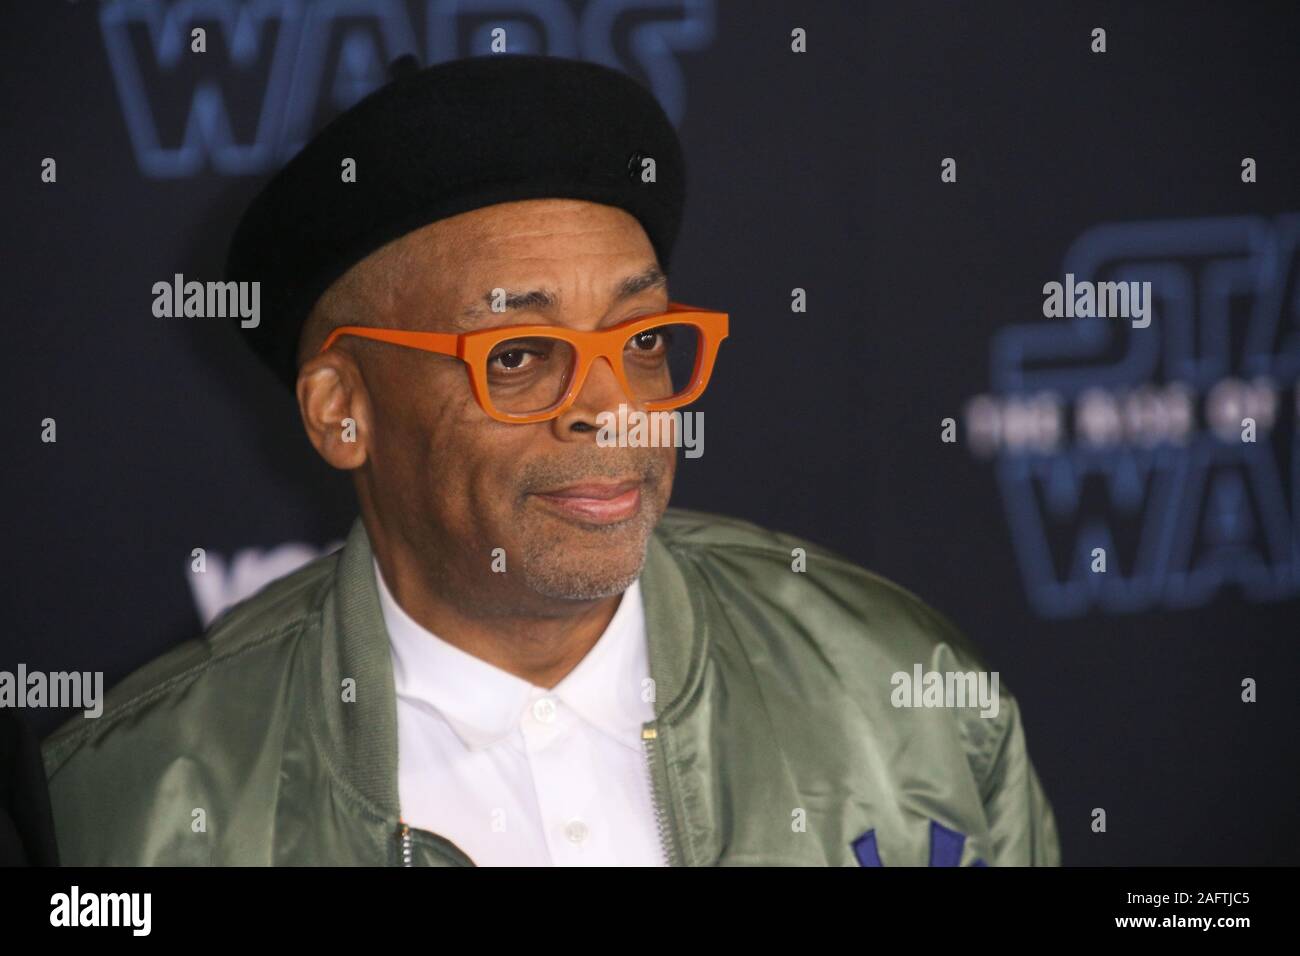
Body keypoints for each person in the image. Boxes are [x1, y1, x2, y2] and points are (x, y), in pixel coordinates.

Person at [42, 53, 1060, 866]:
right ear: (342, 409)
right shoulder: (134, 802)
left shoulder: (901, 689)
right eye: (520, 356)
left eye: (643, 339)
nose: (614, 407)